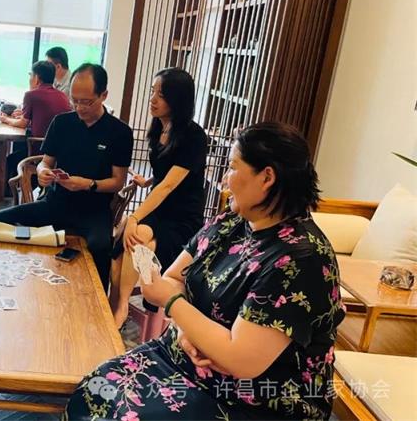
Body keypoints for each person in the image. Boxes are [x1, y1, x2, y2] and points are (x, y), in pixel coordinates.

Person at [66, 123, 346, 421]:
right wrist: (187, 333)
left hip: (254, 398)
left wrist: (172, 303)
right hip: (185, 358)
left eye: (233, 167)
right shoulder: (232, 221)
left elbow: (241, 360)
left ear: (267, 177)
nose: (225, 178)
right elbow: (174, 277)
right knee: (94, 390)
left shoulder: (300, 259)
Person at [0, 64, 133, 290]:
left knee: (100, 247)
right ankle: (7, 281)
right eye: (74, 100)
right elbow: (45, 162)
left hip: (94, 211)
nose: (79, 107)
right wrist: (42, 173)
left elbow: (117, 181)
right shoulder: (62, 122)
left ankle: (98, 303)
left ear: (104, 95)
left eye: (87, 102)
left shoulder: (120, 132)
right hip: (55, 203)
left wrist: (89, 184)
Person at [110, 68, 208, 333]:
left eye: (161, 95)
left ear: (178, 99)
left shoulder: (194, 137)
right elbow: (165, 174)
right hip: (161, 209)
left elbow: (169, 186)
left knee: (136, 237)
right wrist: (148, 182)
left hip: (182, 216)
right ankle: (117, 303)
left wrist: (134, 217)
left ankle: (127, 305)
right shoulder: (159, 128)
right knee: (125, 242)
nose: (153, 99)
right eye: (153, 92)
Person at [0, 60, 72, 189]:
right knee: (18, 145)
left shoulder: (31, 95)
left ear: (37, 78)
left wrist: (5, 119)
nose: (30, 79)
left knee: (10, 159)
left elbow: (22, 123)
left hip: (40, 149)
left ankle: (6, 191)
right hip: (59, 151)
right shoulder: (62, 96)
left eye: (30, 75)